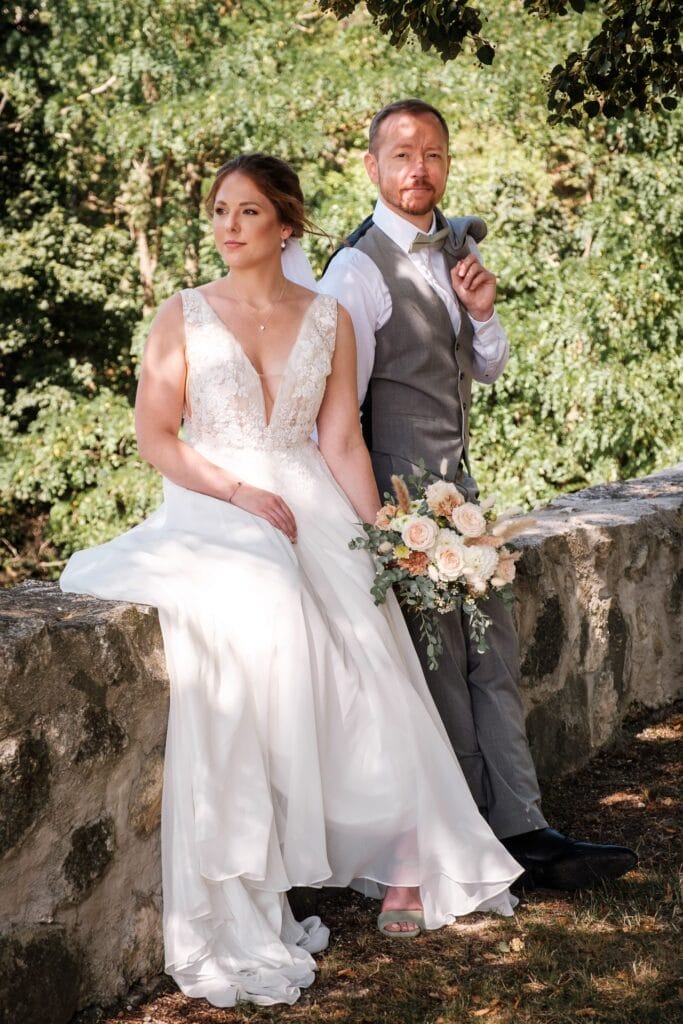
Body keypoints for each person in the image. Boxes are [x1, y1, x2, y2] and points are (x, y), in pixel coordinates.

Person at [60, 153, 523, 1009]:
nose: (227, 226)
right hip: (212, 498)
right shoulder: (182, 313)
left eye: (246, 212)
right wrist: (237, 491)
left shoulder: (330, 317)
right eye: (218, 212)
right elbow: (158, 436)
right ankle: (257, 867)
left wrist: (384, 540)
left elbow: (342, 439)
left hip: (311, 494)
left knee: (369, 645)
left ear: (286, 224)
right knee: (268, 606)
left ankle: (409, 865)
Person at [320, 99, 637, 891]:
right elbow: (340, 412)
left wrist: (481, 313)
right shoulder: (354, 270)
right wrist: (383, 529)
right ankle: (471, 841)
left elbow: (484, 369)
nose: (417, 169)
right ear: (371, 167)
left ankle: (526, 831)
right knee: (442, 676)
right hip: (401, 511)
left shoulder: (453, 248)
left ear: (446, 163)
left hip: (461, 497)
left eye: (431, 153)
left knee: (490, 661)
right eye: (400, 155)